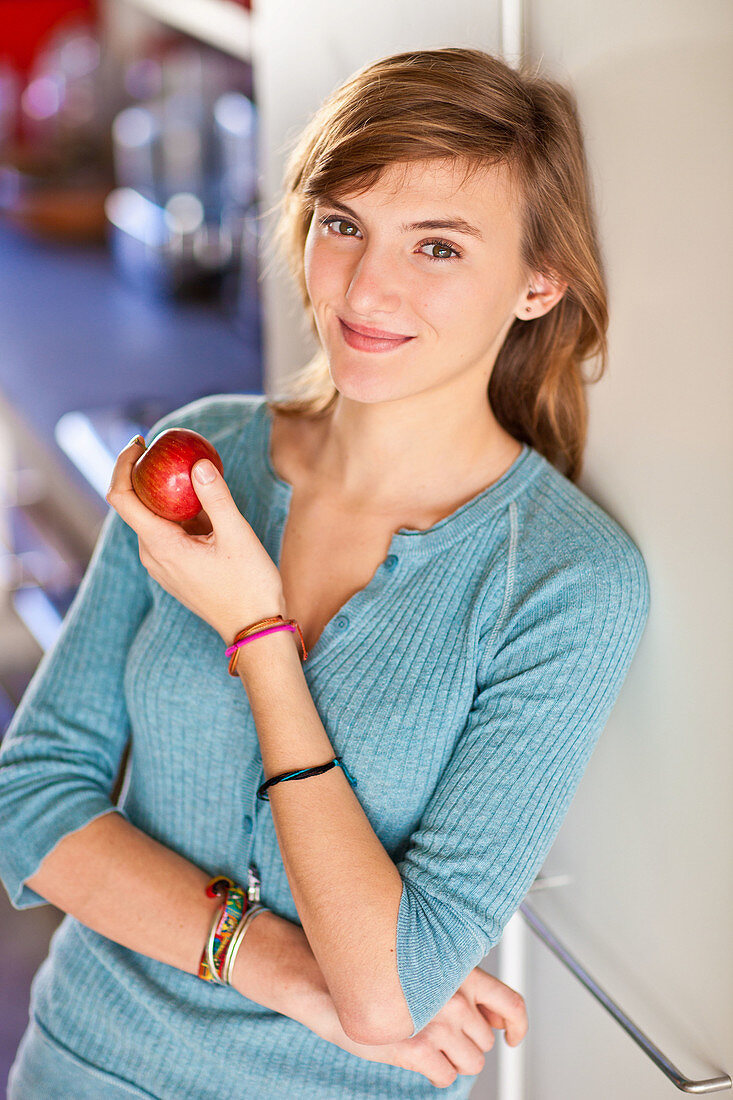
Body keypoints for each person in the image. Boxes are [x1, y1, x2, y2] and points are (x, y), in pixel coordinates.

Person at [0, 46, 650, 1099]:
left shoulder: (565, 580)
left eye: (436, 245)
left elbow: (388, 998)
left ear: (539, 282)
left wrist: (258, 634)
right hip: (80, 1065)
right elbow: (29, 801)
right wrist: (291, 974)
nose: (365, 284)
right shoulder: (204, 457)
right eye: (342, 223)